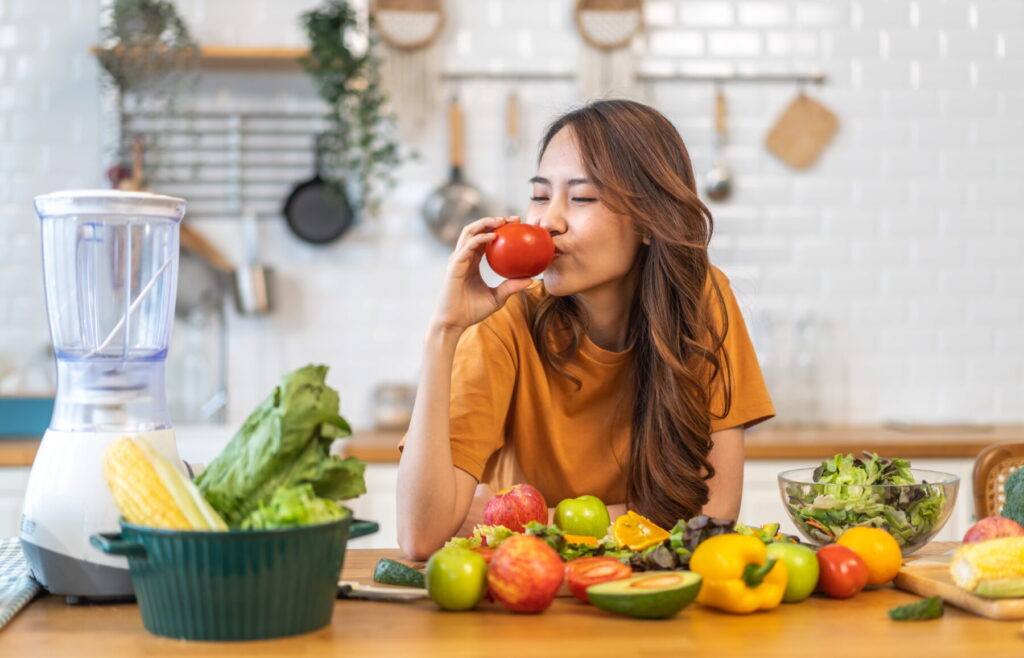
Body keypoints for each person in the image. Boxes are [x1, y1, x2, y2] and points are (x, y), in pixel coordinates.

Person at [396, 99, 774, 560]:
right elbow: (421, 536)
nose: (547, 221)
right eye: (539, 195)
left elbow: (712, 516)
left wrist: (510, 519)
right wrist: (444, 332)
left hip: (651, 592)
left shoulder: (703, 301)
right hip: (525, 597)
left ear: (651, 223)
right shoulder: (504, 320)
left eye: (581, 198)